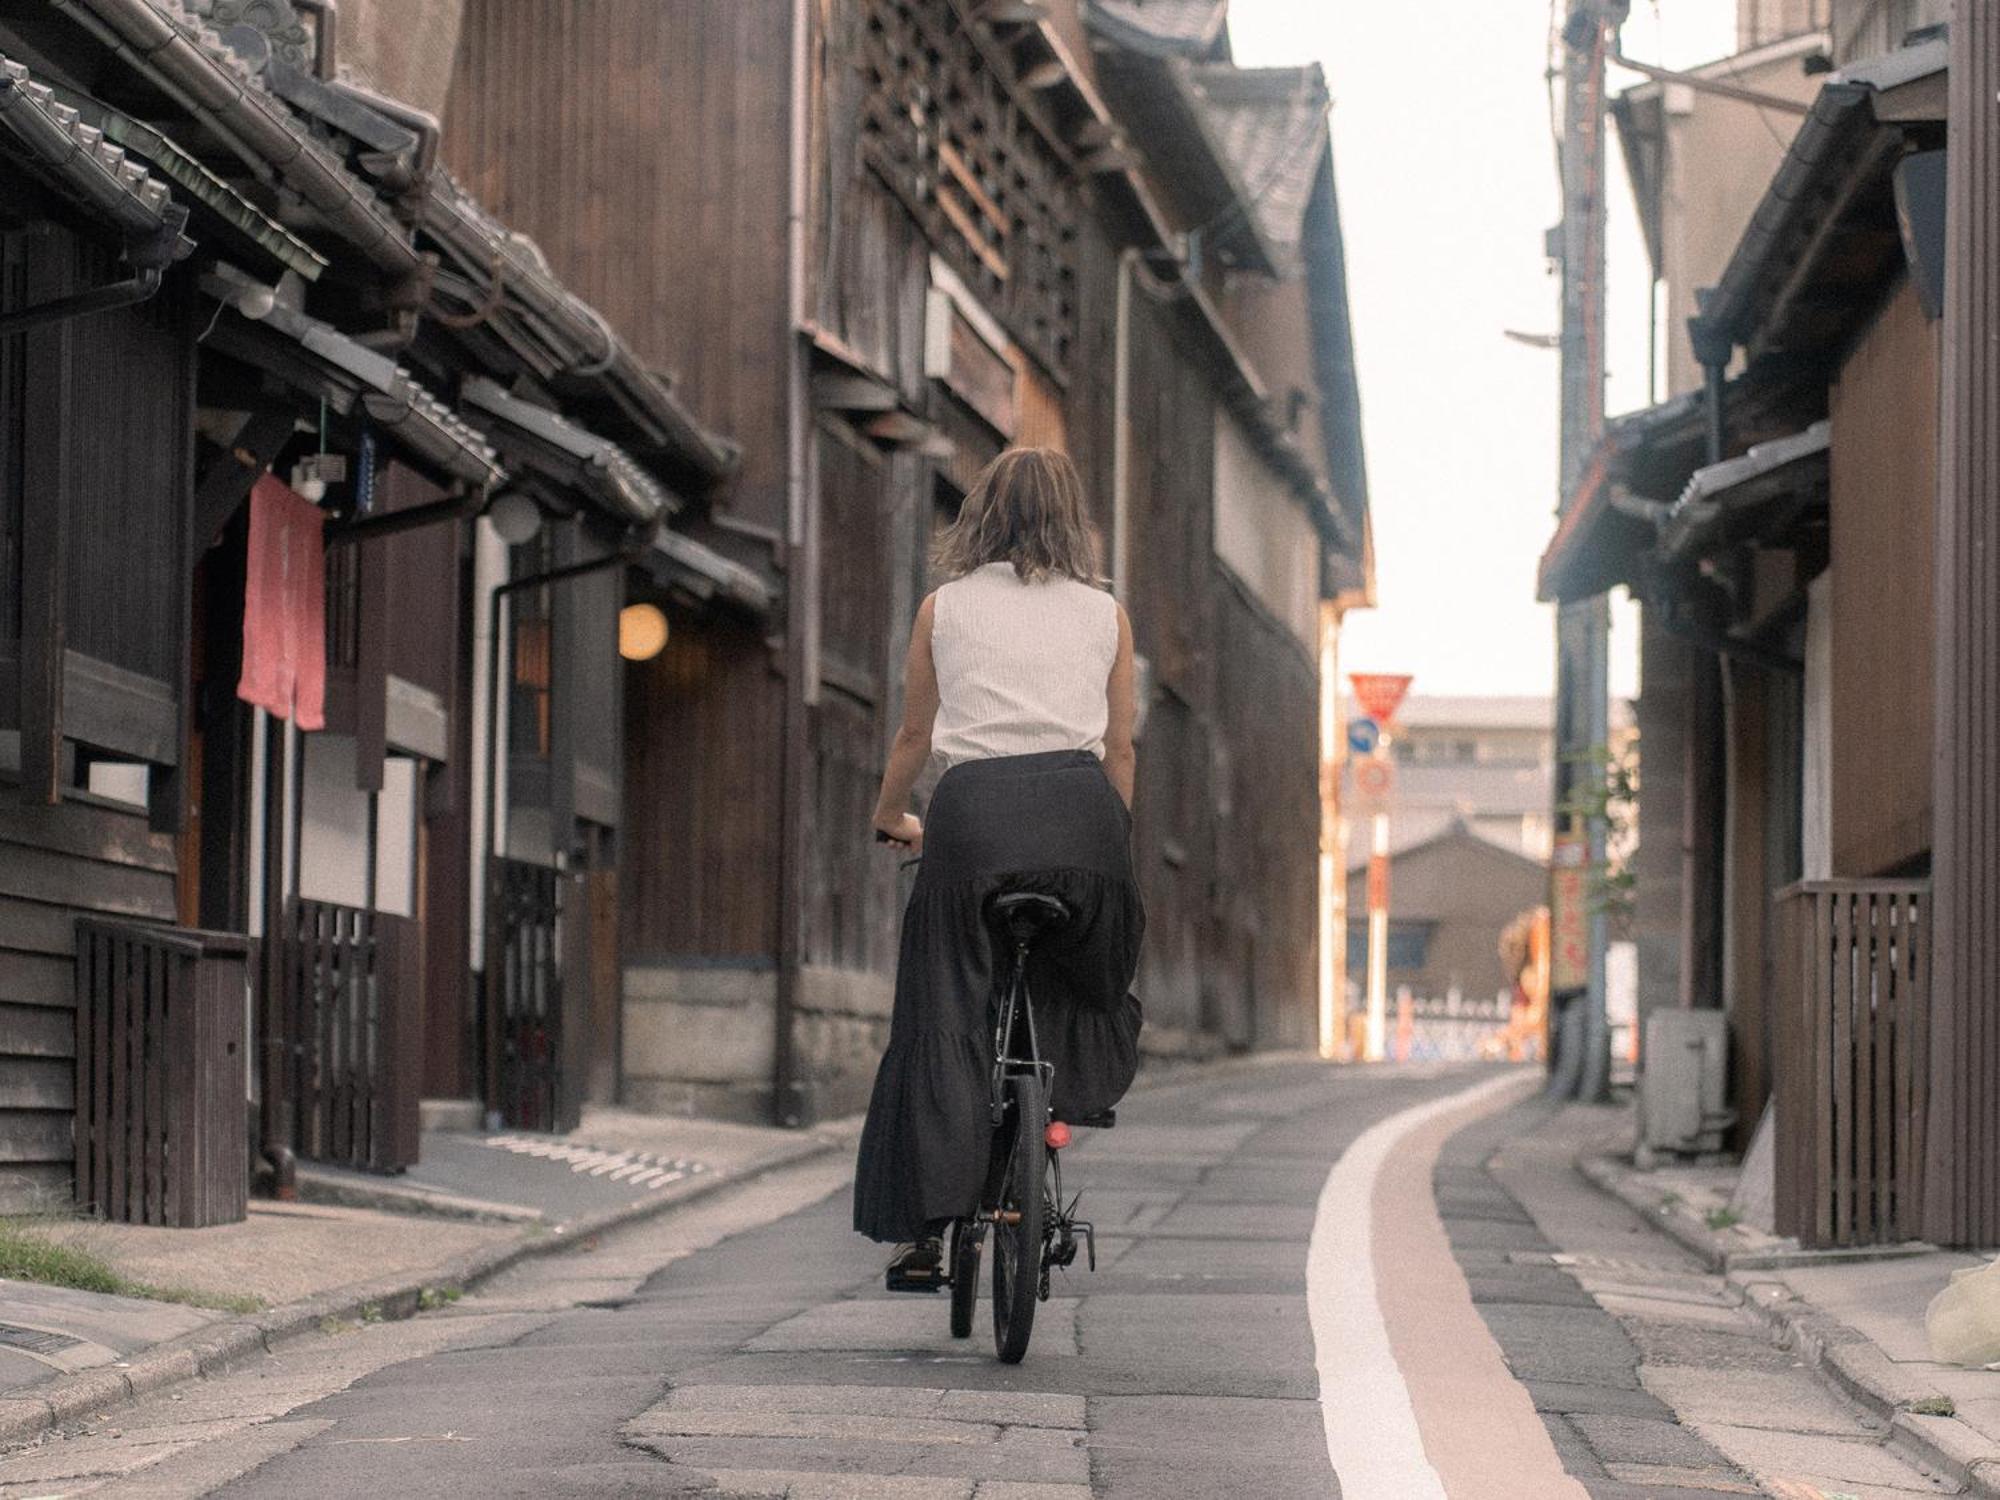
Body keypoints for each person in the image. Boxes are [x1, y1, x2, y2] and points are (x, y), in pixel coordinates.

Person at [853, 446, 1145, 1288]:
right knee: (1081, 966)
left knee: (941, 1008)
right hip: (1083, 818)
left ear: (979, 512)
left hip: (972, 820)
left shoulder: (941, 609)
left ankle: (930, 1227)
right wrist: (1107, 843)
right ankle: (1048, 1104)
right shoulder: (1106, 616)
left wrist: (890, 818)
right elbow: (1119, 748)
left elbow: (915, 737)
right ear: (1072, 520)